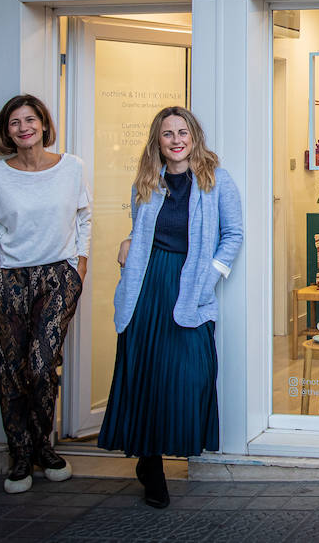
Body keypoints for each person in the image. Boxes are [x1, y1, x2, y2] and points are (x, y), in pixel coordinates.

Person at [98, 106, 242, 508]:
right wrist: (127, 244)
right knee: (146, 376)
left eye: (183, 132)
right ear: (157, 142)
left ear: (194, 136)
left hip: (190, 286)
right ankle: (151, 465)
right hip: (147, 288)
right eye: (167, 134)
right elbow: (139, 234)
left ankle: (165, 452)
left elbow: (233, 235)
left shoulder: (217, 181)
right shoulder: (147, 182)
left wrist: (208, 278)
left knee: (189, 373)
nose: (176, 140)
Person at [0, 94, 91, 494]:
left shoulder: (71, 167)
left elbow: (84, 216)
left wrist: (80, 264)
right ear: (7, 132)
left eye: (30, 120)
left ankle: (43, 443)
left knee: (41, 365)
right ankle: (20, 453)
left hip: (58, 276)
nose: (23, 128)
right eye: (14, 123)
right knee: (11, 369)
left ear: (43, 124)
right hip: (10, 278)